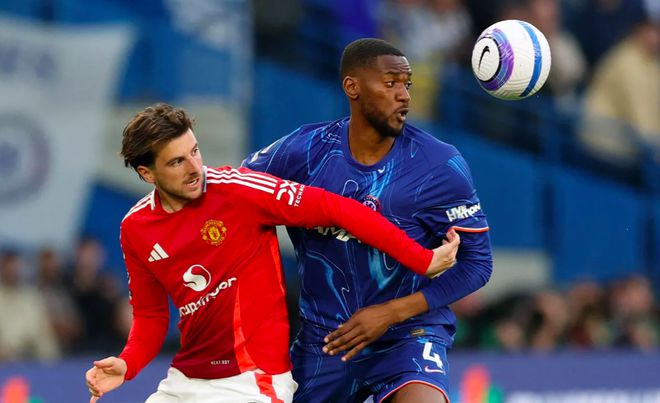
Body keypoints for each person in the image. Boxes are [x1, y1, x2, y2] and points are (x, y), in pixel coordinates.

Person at [84, 103, 460, 403]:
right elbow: (151, 316)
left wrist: (421, 259)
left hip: (253, 383)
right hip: (185, 381)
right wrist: (128, 363)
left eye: (195, 151)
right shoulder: (136, 228)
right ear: (147, 174)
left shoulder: (238, 191)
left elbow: (338, 209)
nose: (196, 168)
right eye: (177, 162)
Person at [243, 38, 493, 402]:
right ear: (352, 87)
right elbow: (234, 195)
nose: (404, 95)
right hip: (326, 342)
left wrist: (391, 312)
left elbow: (478, 263)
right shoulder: (304, 152)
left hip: (407, 335)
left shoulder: (439, 165)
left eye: (407, 84)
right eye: (390, 83)